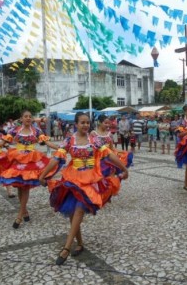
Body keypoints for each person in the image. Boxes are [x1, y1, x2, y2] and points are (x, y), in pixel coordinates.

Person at [39, 112, 129, 265]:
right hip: (73, 179)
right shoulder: (69, 140)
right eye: (82, 122)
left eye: (87, 122)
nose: (85, 125)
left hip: (90, 179)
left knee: (79, 209)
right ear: (76, 124)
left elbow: (109, 155)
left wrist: (123, 168)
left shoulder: (94, 140)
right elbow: (56, 158)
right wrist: (43, 174)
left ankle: (66, 247)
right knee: (73, 212)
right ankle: (79, 243)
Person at [0, 110, 59, 229]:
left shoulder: (36, 131)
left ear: (32, 119)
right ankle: (25, 211)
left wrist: (60, 148)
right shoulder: (14, 130)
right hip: (18, 159)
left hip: (32, 160)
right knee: (19, 185)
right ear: (21, 119)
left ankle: (19, 215)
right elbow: (3, 142)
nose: (28, 118)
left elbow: (47, 142)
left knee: (25, 186)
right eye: (25, 116)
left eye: (30, 116)